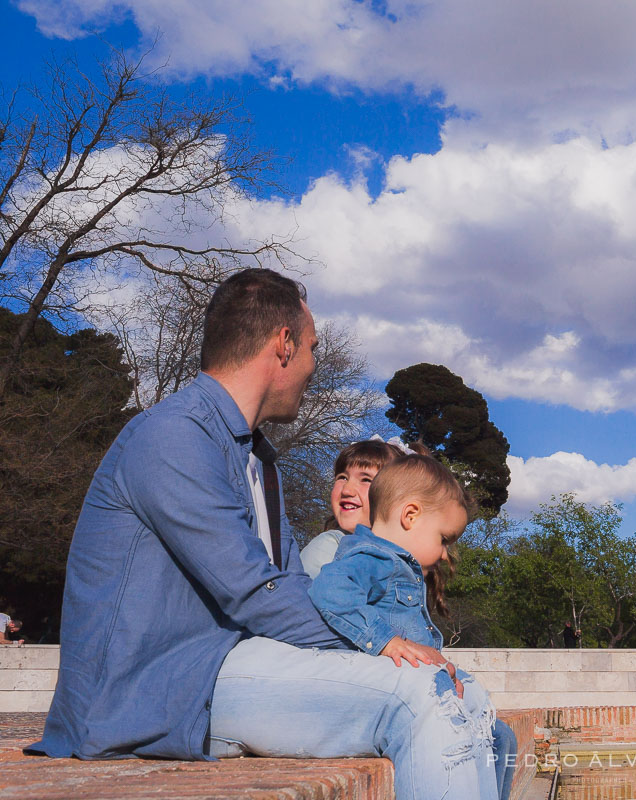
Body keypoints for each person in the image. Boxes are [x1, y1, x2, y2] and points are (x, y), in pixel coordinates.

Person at [30, 268, 500, 800]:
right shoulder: (175, 436)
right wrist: (386, 645)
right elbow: (255, 592)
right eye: (313, 350)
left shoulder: (257, 461)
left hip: (228, 669)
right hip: (151, 692)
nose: (313, 366)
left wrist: (393, 645)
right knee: (423, 695)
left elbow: (294, 586)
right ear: (284, 345)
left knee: (471, 700)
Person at [310, 454, 516, 800]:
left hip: (416, 693)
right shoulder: (372, 557)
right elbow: (329, 589)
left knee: (500, 737)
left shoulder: (394, 563)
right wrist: (386, 640)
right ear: (410, 516)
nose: (445, 552)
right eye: (444, 538)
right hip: (387, 699)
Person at [300, 437, 415, 579]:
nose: (347, 490)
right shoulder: (330, 547)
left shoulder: (404, 558)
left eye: (366, 479)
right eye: (342, 477)